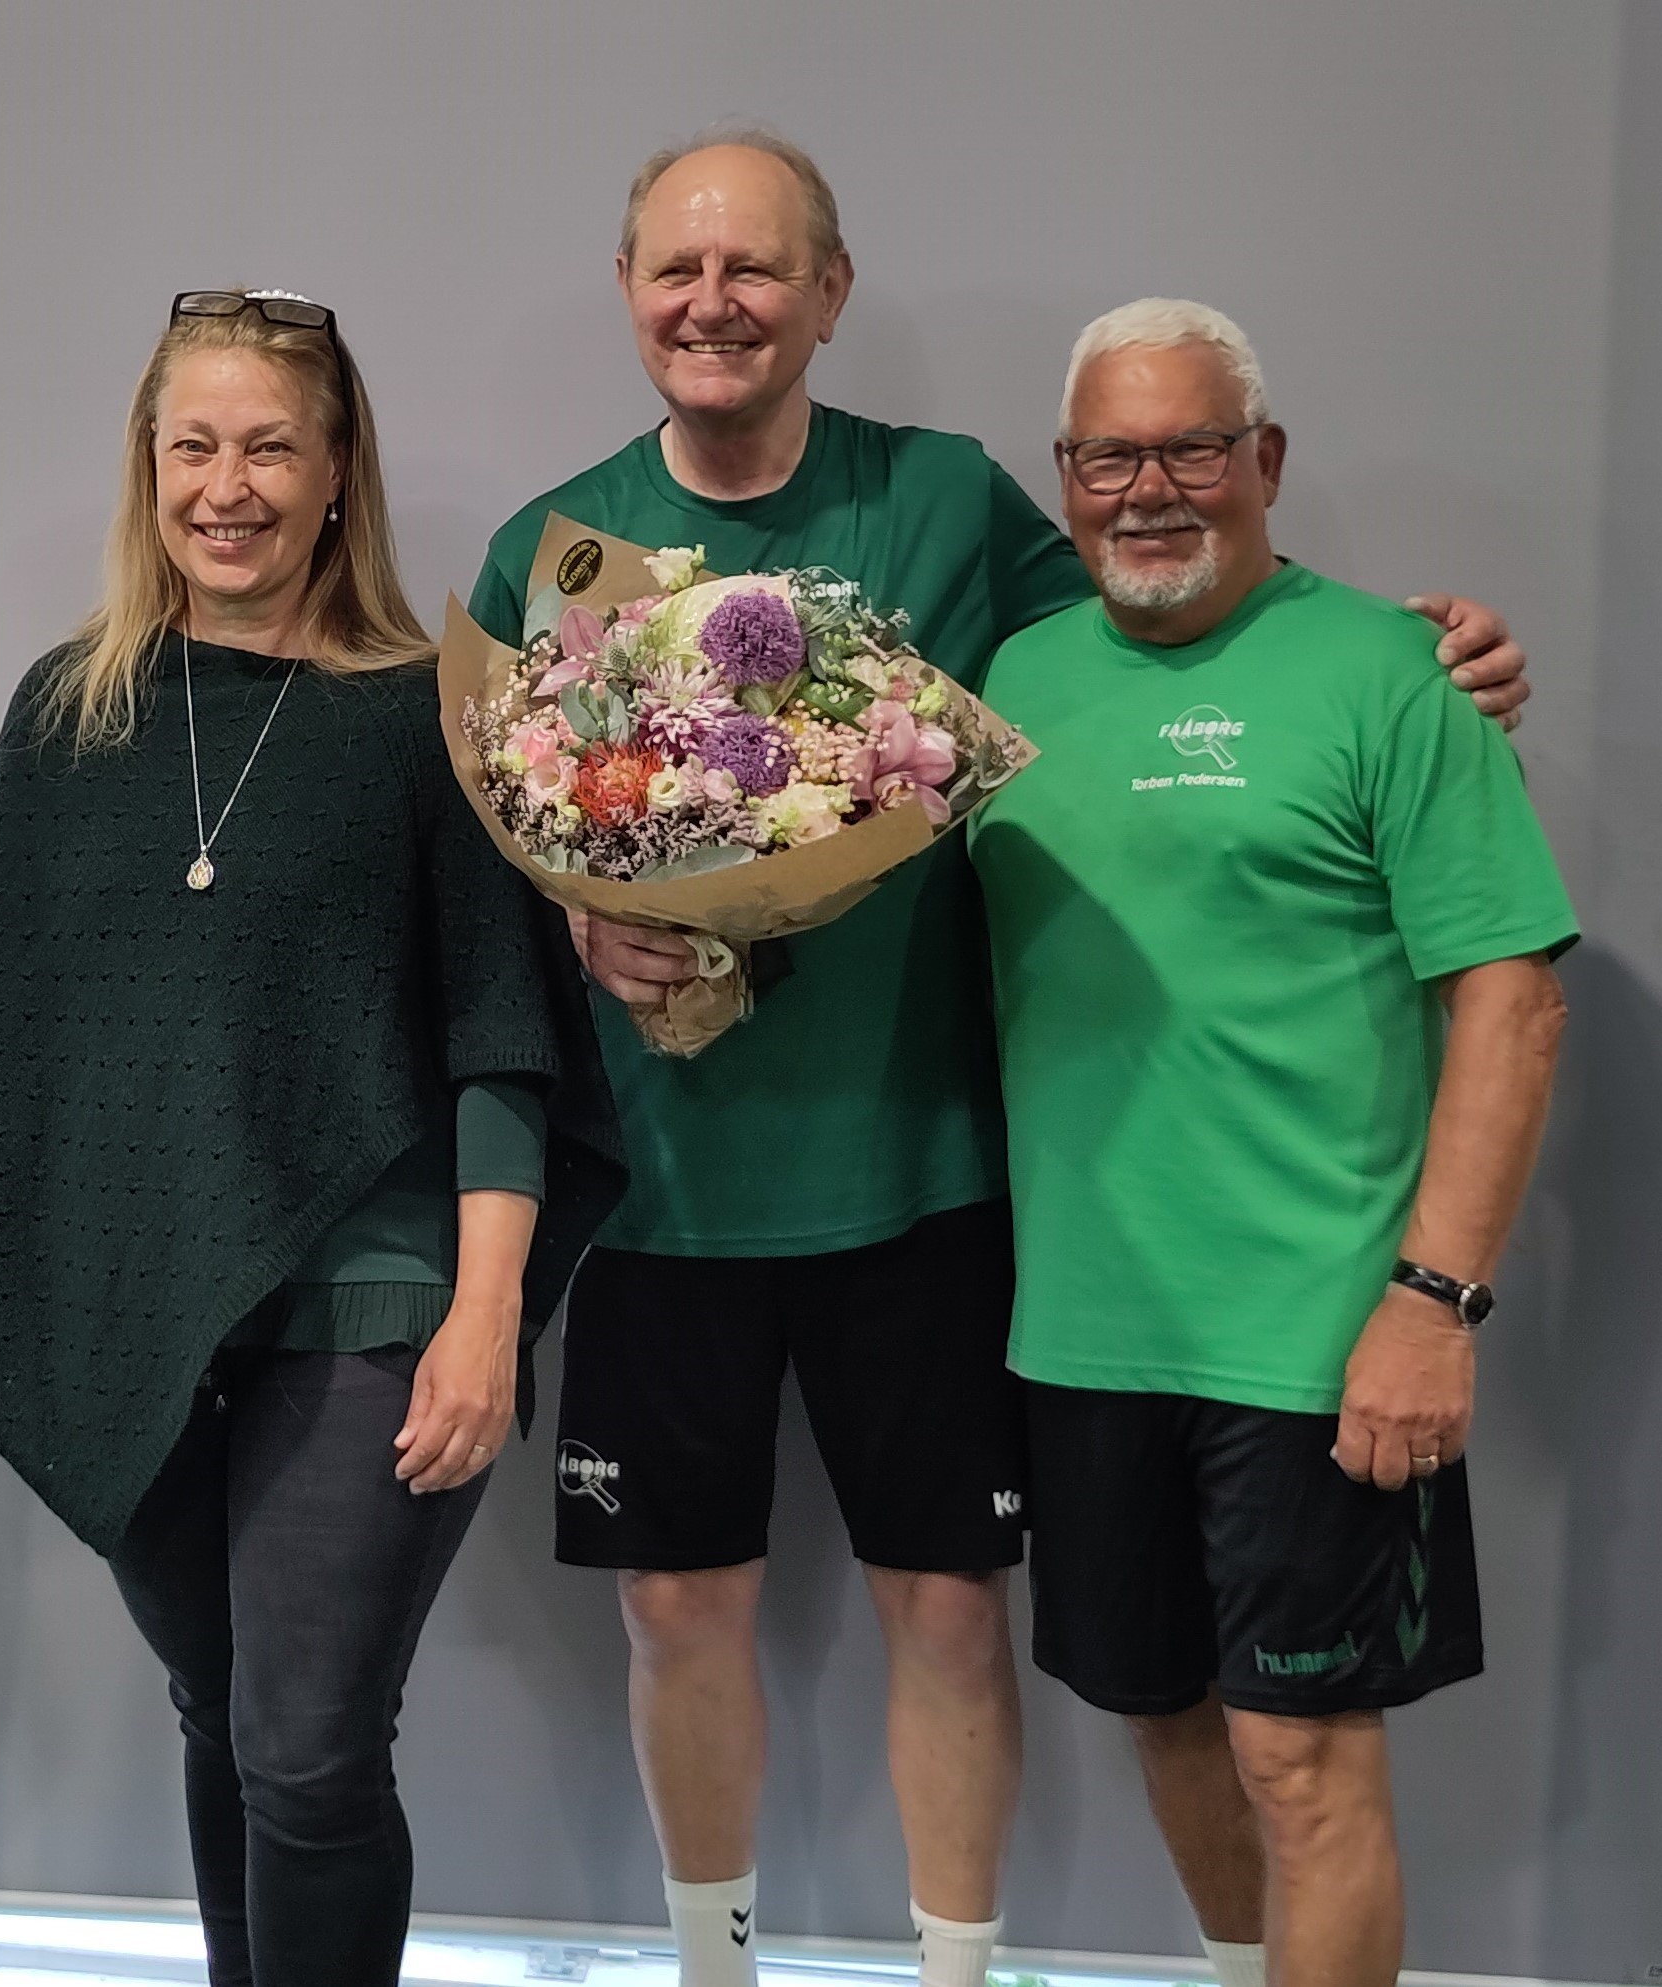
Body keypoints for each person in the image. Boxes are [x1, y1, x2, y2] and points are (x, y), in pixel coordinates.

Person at [465, 129, 1534, 1987]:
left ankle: (955, 1976)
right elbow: (493, 842)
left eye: (756, 266)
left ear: (830, 291)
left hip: (934, 1180)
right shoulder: (549, 546)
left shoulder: (951, 502)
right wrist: (578, 918)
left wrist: (1415, 651)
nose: (714, 303)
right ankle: (713, 1968)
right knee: (679, 1605)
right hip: (665, 1183)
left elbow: (1171, 606)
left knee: (954, 1611)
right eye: (677, 269)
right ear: (627, 289)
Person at [0, 290, 621, 1987]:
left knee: (307, 1749)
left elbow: (502, 1039)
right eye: (193, 447)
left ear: (334, 471)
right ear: (147, 466)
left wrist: (487, 1318)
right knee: (221, 1710)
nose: (224, 488)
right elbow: (20, 1046)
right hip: (139, 1306)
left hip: (374, 1299)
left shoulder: (426, 716)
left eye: (267, 448)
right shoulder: (65, 714)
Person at [966, 298, 1572, 1987]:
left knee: (1302, 1759)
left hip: (1317, 1337)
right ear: (1064, 475)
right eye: (1109, 456)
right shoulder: (1014, 683)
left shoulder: (1391, 675)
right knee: (1161, 1714)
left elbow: (1513, 1006)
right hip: (1084, 1329)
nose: (1149, 489)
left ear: (1267, 461)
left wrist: (1434, 1304)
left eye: (1192, 448)